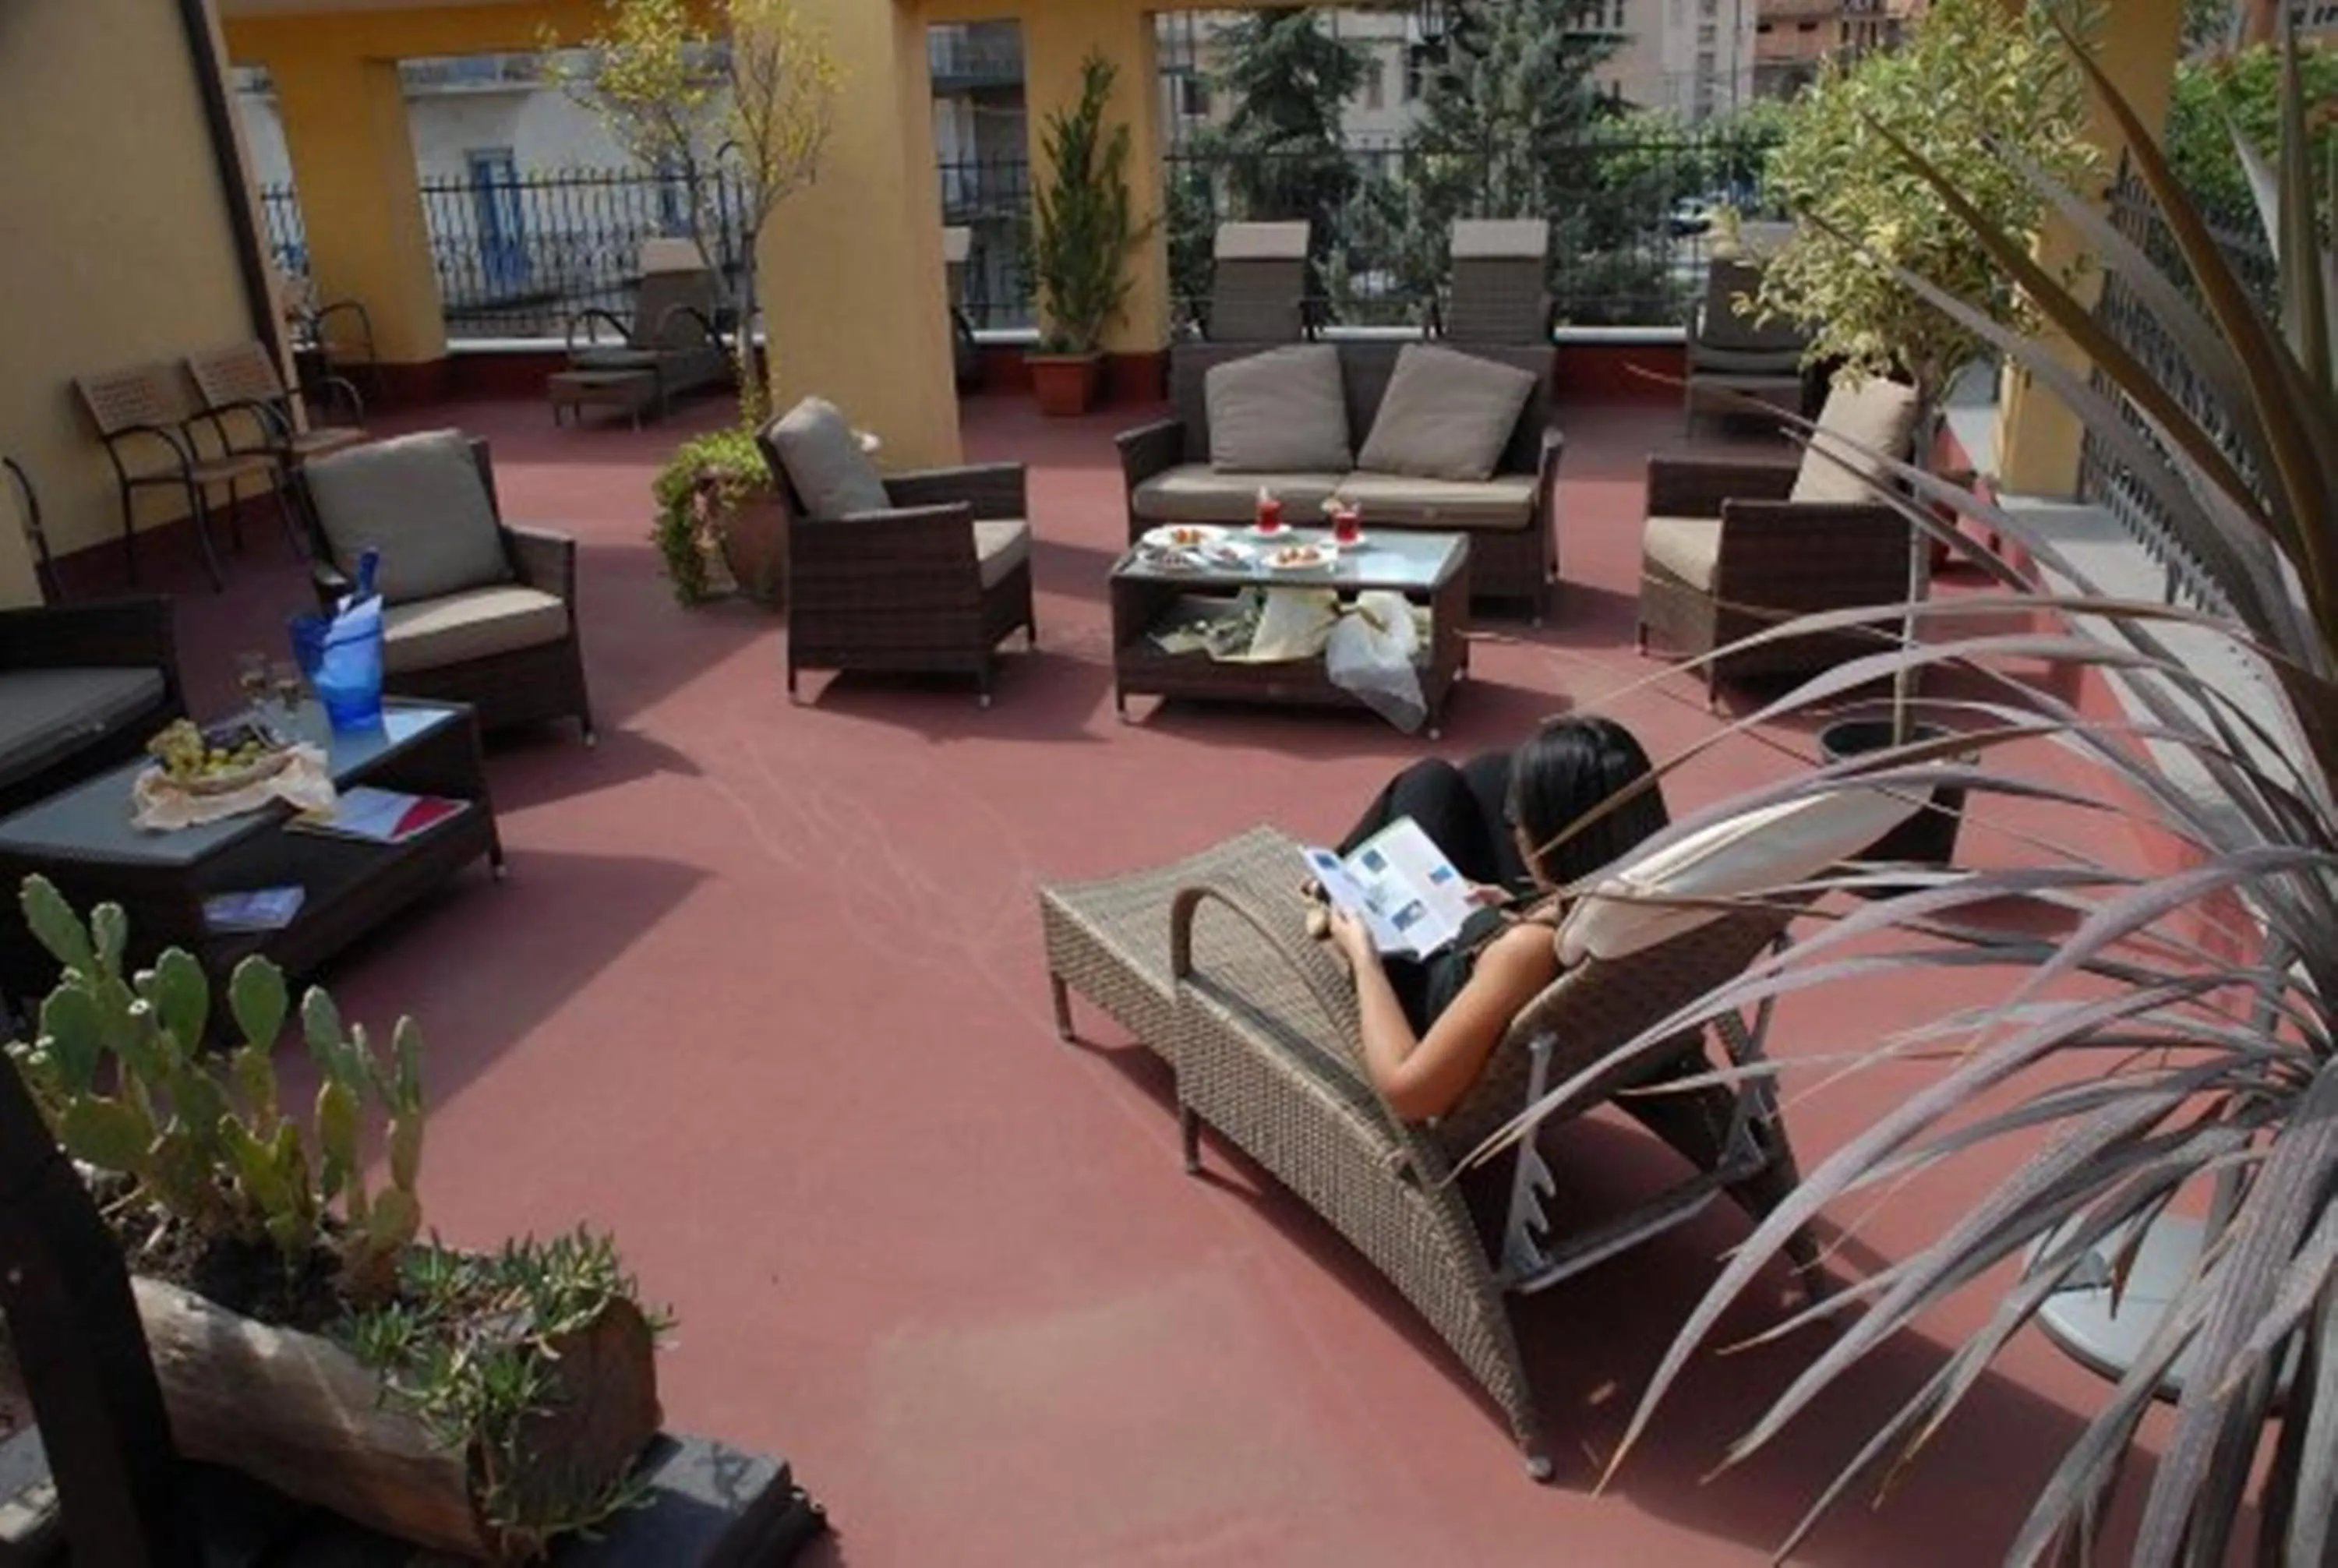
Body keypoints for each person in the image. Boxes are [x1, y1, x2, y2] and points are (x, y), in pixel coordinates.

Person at [1318, 716, 1669, 1125]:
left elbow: (1410, 1095)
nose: (1514, 829)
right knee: (1491, 772)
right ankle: (1334, 874)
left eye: (1518, 819)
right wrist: (1516, 909)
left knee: (1427, 780)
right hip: (1498, 950)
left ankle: (1329, 886)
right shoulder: (1647, 894)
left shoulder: (1525, 952)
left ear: (1555, 838)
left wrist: (1365, 958)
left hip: (1428, 990)